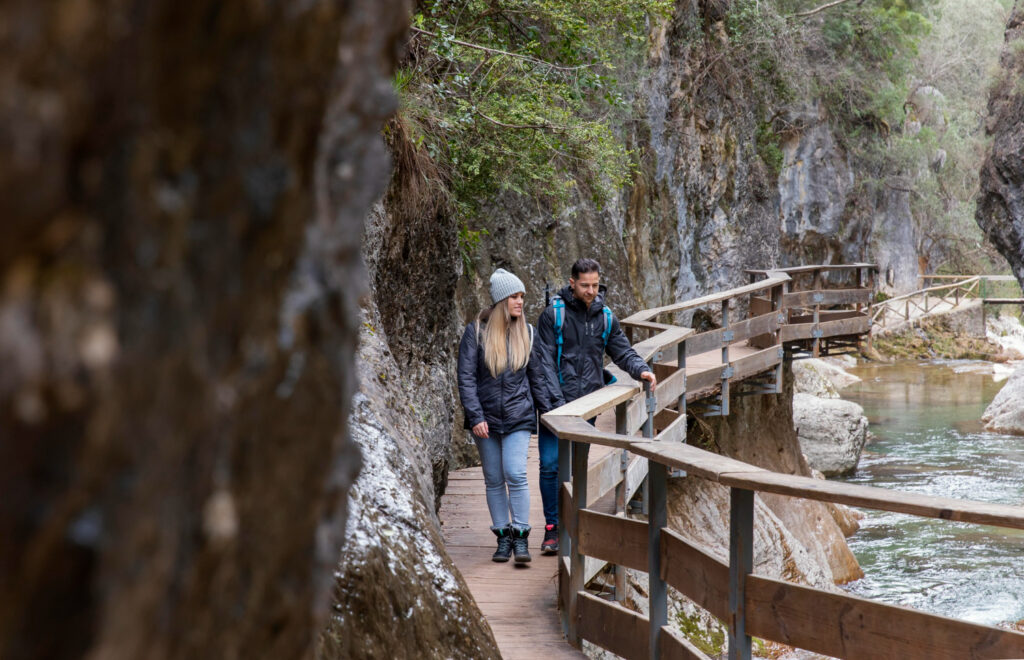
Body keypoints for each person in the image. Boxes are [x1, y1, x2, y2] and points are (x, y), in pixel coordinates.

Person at [535, 258, 657, 554]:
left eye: (594, 284)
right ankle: (552, 528)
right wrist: (556, 407)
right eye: (585, 285)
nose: (591, 291)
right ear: (572, 282)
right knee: (551, 465)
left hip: (588, 405)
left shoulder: (605, 316)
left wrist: (640, 369)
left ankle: (573, 523)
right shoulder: (553, 316)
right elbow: (542, 362)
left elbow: (622, 350)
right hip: (555, 406)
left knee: (577, 466)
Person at [457, 268, 559, 564]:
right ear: (502, 300)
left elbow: (537, 377)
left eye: (522, 296)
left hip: (519, 415)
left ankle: (521, 536)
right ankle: (503, 537)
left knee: (515, 473)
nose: (520, 302)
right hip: (485, 418)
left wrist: (548, 414)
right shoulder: (475, 331)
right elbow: (466, 378)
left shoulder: (527, 332)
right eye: (515, 296)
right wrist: (475, 416)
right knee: (493, 478)